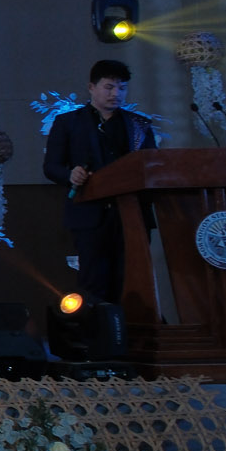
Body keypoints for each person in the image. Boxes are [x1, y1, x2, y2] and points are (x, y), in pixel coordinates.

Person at [42, 58, 159, 304]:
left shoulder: (138, 125)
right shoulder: (68, 123)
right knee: (93, 282)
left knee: (133, 278)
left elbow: (152, 165)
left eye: (122, 88)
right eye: (109, 87)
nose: (116, 94)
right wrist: (70, 175)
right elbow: (51, 167)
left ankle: (132, 327)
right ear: (91, 87)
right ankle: (97, 327)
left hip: (132, 213)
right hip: (89, 214)